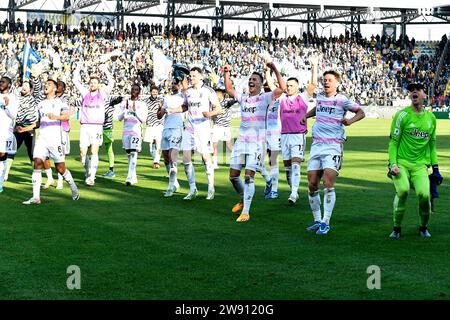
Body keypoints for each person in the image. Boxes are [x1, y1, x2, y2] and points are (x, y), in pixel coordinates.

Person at [302, 70, 365, 234]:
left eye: (329, 80)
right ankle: (317, 220)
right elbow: (318, 108)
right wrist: (306, 116)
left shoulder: (342, 100)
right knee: (312, 183)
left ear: (337, 82)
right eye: (325, 80)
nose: (326, 82)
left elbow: (361, 112)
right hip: (317, 144)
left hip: (333, 146)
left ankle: (326, 222)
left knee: (328, 182)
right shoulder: (321, 97)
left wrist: (349, 121)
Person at [224, 62, 286, 222]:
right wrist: (226, 74)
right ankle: (243, 197)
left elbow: (283, 87)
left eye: (254, 80)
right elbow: (230, 89)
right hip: (241, 142)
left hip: (257, 143)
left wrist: (274, 70)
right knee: (233, 177)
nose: (251, 81)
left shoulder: (266, 97)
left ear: (260, 84)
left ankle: (245, 211)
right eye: (250, 79)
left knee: (248, 176)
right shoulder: (243, 98)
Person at [388, 83, 442, 238]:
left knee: (425, 196)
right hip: (401, 163)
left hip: (420, 166)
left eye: (418, 90)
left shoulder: (431, 118)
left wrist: (436, 169)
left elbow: (432, 146)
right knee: (403, 190)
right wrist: (393, 163)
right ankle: (396, 228)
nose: (414, 92)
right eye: (411, 90)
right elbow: (393, 142)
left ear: (425, 95)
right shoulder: (402, 116)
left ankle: (423, 227)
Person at [22, 79, 79, 204]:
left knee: (60, 168)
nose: (46, 86)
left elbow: (66, 116)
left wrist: (56, 117)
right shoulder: (40, 104)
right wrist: (25, 128)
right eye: (45, 84)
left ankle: (73, 187)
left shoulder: (60, 102)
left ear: (54, 88)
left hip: (55, 140)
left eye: (49, 84)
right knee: (37, 162)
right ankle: (36, 197)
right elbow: (39, 122)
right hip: (42, 139)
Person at [169, 67, 222, 200]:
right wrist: (171, 110)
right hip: (190, 127)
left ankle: (211, 187)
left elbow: (219, 109)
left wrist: (209, 114)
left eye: (193, 76)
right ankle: (193, 189)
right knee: (186, 159)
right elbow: (185, 106)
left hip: (203, 128)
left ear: (200, 77)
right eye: (190, 76)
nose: (191, 78)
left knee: (205, 157)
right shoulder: (188, 92)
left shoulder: (208, 91)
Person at [279, 54, 318, 204]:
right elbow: (273, 85)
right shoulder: (282, 99)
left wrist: (314, 65)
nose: (288, 88)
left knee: (296, 163)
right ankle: (293, 189)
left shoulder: (302, 97)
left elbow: (313, 84)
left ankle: (294, 193)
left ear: (297, 87)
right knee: (288, 167)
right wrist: (268, 71)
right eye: (287, 86)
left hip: (297, 135)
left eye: (291, 86)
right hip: (284, 136)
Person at [73, 62, 114, 186]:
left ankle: (92, 177)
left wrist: (105, 69)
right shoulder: (85, 93)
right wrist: (78, 67)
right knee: (82, 152)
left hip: (96, 127)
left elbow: (112, 83)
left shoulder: (102, 94)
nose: (92, 84)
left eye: (95, 83)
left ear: (98, 84)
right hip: (85, 126)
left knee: (94, 151)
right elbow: (75, 80)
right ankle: (87, 172)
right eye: (91, 83)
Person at [157, 78, 186, 197]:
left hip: (177, 129)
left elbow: (185, 107)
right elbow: (159, 116)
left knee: (172, 156)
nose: (173, 85)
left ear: (179, 85)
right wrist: (161, 109)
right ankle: (175, 183)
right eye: (172, 83)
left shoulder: (183, 96)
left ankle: (170, 187)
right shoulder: (167, 98)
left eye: (176, 84)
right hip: (166, 128)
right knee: (165, 158)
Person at [4, 80, 37, 182]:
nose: (24, 87)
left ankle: (35, 175)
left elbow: (36, 118)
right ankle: (5, 174)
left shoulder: (33, 100)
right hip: (17, 129)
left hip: (29, 130)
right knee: (10, 151)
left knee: (32, 154)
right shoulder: (17, 97)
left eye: (27, 86)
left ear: (30, 90)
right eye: (23, 84)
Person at [117, 84, 148, 185]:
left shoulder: (142, 104)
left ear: (139, 92)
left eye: (136, 90)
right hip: (126, 131)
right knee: (128, 154)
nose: (134, 91)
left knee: (134, 152)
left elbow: (143, 120)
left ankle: (129, 176)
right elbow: (119, 118)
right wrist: (125, 111)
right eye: (133, 89)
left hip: (136, 131)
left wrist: (136, 111)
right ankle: (133, 176)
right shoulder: (124, 103)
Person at [0, 76, 18, 193]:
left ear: (9, 85)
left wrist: (6, 105)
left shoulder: (12, 98)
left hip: (4, 131)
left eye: (3, 82)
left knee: (2, 156)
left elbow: (13, 115)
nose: (0, 83)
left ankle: (0, 183)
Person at [211, 88, 235, 169]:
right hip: (216, 126)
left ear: (222, 94)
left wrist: (233, 100)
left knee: (228, 145)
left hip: (225, 127)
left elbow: (233, 101)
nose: (215, 95)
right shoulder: (213, 103)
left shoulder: (227, 102)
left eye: (217, 94)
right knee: (214, 145)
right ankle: (214, 163)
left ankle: (237, 160)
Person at [144, 85, 164, 169]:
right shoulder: (145, 101)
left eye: (156, 92)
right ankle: (154, 159)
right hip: (150, 125)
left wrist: (161, 107)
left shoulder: (161, 100)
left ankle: (157, 161)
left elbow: (164, 111)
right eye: (153, 92)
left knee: (159, 143)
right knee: (151, 145)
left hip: (159, 125)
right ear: (151, 92)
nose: (154, 93)